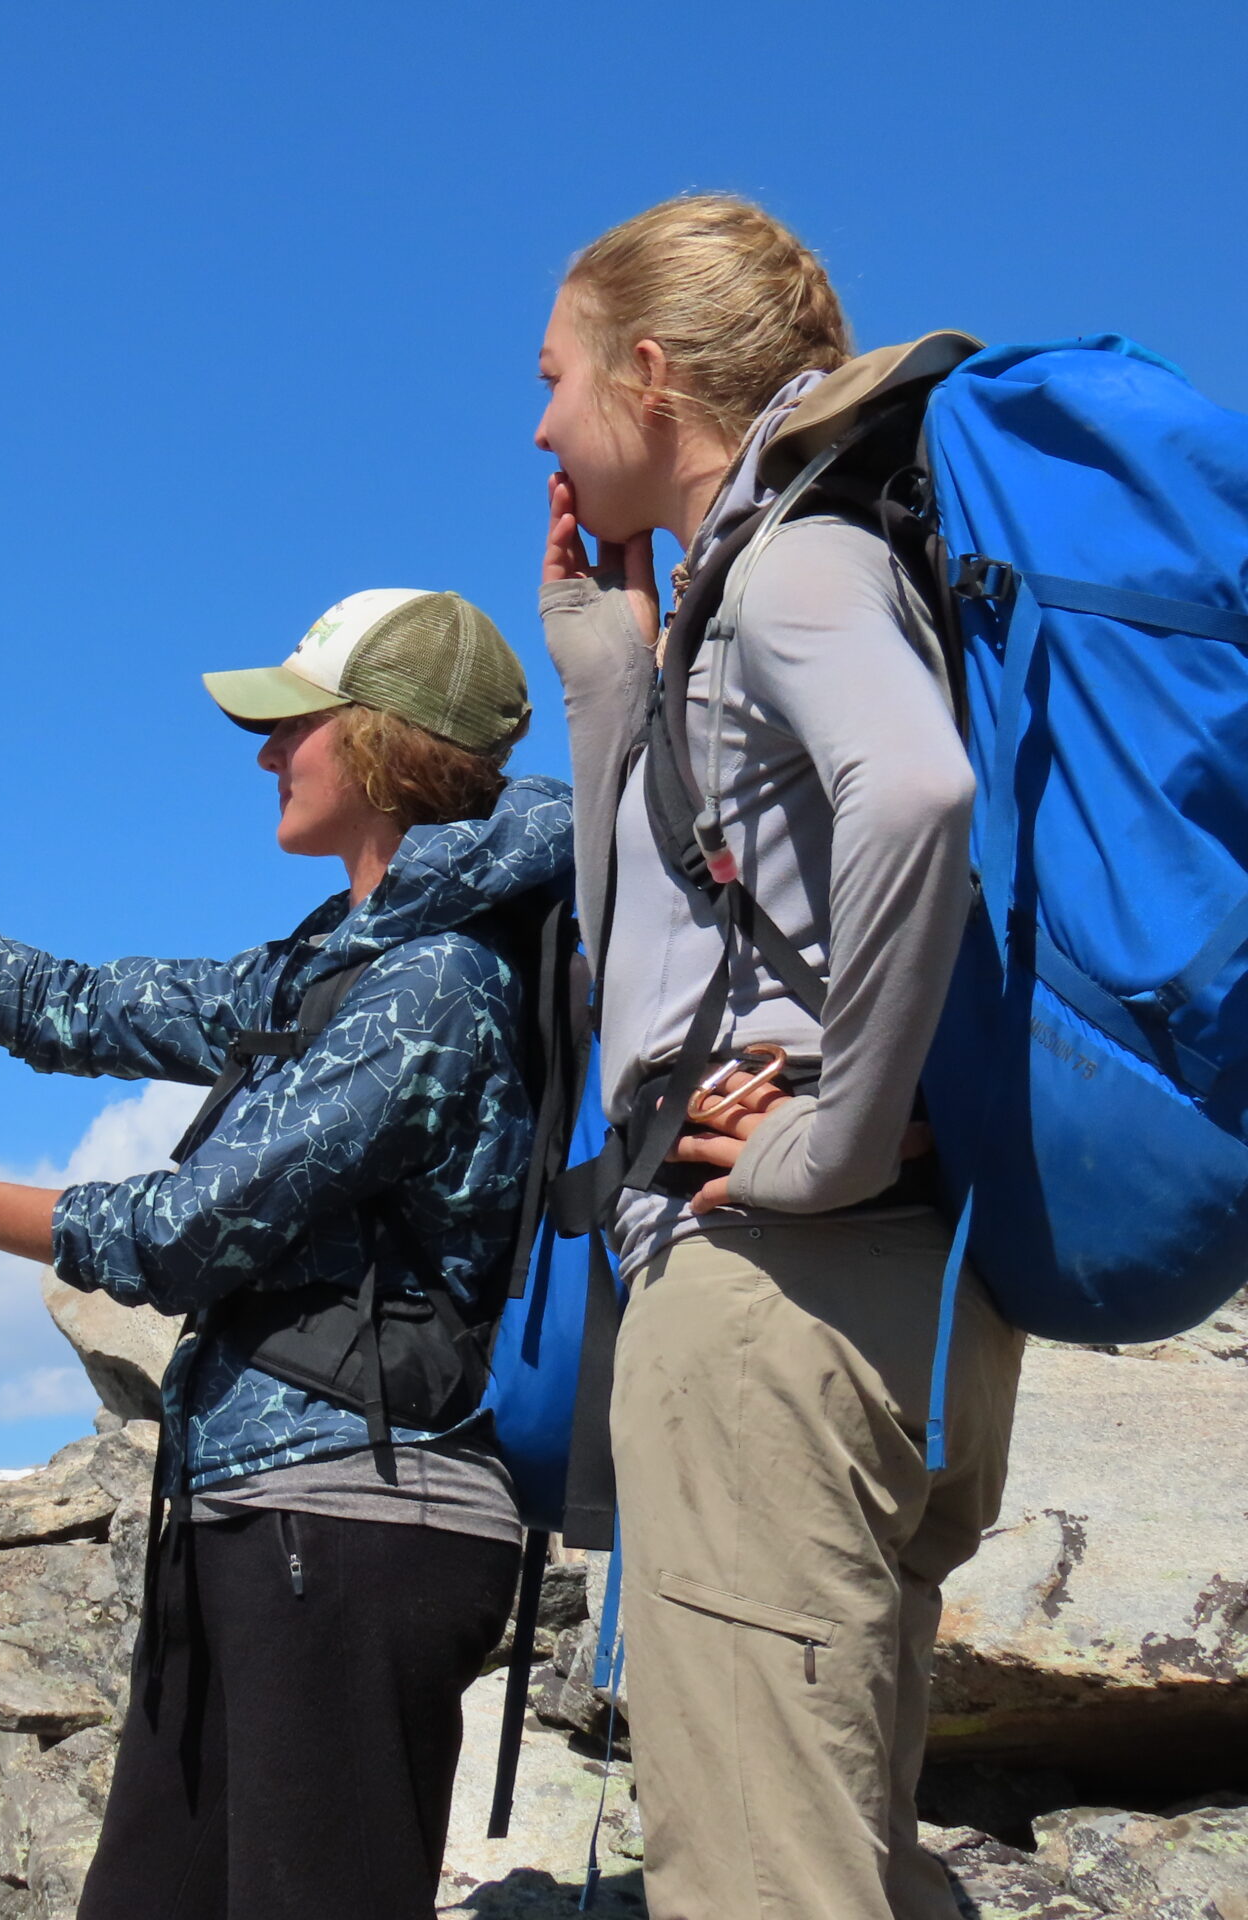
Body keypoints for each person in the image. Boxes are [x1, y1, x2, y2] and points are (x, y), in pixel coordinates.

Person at [0, 588, 572, 1920]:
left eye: (296, 725)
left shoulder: (436, 984)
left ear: (387, 744)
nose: (267, 754)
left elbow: (190, 1231)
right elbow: (80, 1009)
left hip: (354, 1525)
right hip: (271, 1512)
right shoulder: (343, 962)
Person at [535, 194, 1025, 1920]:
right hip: (881, 1307)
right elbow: (683, 949)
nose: (540, 425)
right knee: (844, 1858)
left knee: (762, 1879)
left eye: (558, 376)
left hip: (778, 1305)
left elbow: (919, 793)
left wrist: (822, 1140)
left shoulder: (804, 565)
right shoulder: (776, 583)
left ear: (650, 376)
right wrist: (611, 682)